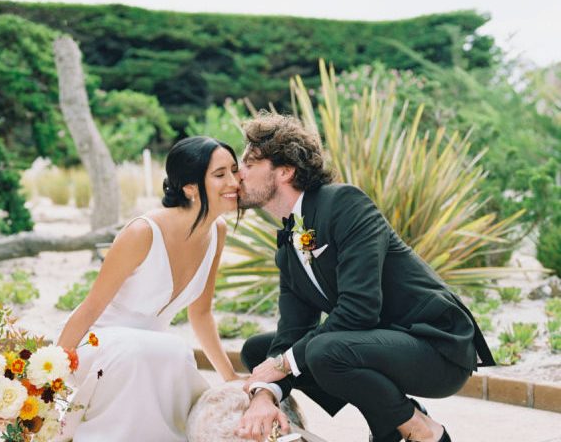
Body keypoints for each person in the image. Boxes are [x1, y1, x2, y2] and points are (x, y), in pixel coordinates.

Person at [235, 113, 495, 442]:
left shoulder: (344, 203)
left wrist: (285, 364)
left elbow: (360, 308)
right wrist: (263, 394)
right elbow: (291, 333)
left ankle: (423, 431)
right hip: (379, 341)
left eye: (249, 164)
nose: (238, 174)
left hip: (435, 346)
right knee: (261, 351)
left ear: (284, 170)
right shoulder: (290, 244)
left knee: (321, 352)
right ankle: (388, 425)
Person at [56, 136, 242, 441]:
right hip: (97, 348)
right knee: (170, 351)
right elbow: (89, 308)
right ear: (190, 187)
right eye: (220, 174)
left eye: (234, 170)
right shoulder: (143, 232)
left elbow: (202, 312)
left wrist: (230, 377)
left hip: (148, 355)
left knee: (168, 354)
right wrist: (51, 378)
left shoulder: (217, 231)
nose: (234, 181)